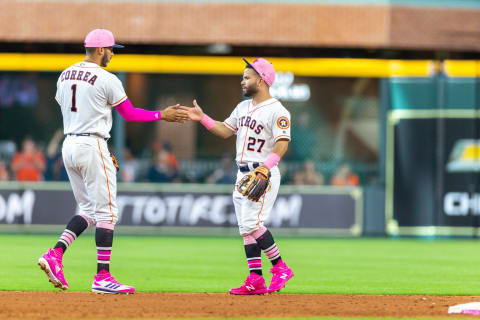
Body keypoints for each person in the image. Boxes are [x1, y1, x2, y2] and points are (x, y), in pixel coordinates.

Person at [38, 29, 189, 294]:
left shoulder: (64, 75)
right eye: (110, 49)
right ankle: (102, 277)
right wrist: (160, 115)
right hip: (92, 143)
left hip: (70, 144)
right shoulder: (106, 78)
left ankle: (55, 253)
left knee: (87, 209)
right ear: (99, 50)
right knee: (107, 213)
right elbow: (129, 114)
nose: (112, 54)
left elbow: (71, 107)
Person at [181, 58, 294, 295]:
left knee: (253, 223)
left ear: (261, 80)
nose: (242, 81)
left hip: (262, 172)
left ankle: (280, 267)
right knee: (245, 228)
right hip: (242, 174)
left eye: (247, 77)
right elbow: (224, 130)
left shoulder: (278, 110)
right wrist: (203, 118)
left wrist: (265, 167)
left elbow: (282, 144)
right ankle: (255, 279)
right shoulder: (243, 107)